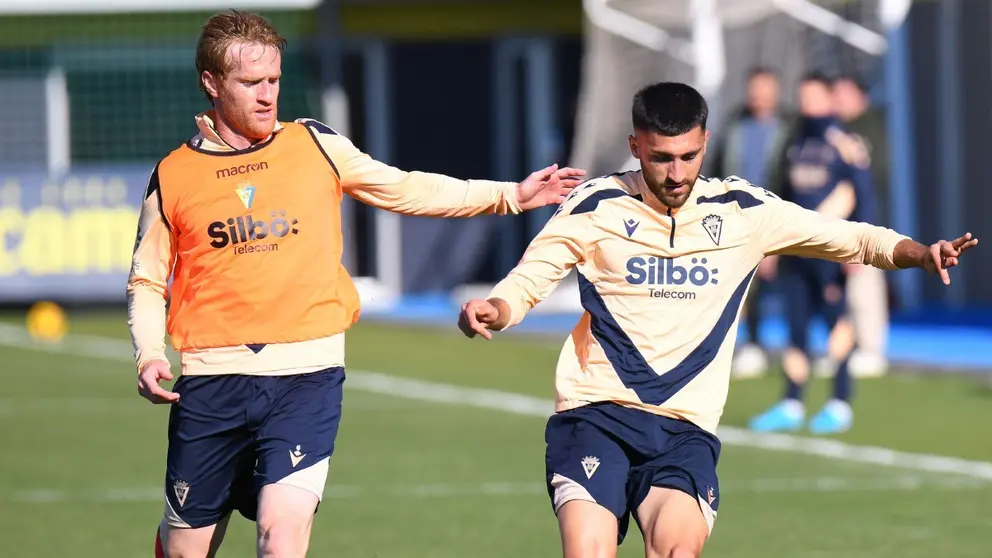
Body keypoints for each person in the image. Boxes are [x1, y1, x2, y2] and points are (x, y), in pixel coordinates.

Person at [127, 10, 585, 558]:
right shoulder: (173, 174)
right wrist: (149, 354)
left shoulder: (315, 145)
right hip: (211, 380)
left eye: (274, 79)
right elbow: (149, 280)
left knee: (282, 534)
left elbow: (406, 189)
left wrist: (511, 194)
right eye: (250, 83)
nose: (267, 94)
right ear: (211, 83)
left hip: (307, 374)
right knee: (184, 549)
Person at [456, 81, 976, 558]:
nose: (677, 174)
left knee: (677, 549)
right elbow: (530, 278)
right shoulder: (595, 205)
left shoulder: (742, 210)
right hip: (597, 413)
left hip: (685, 428)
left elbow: (853, 237)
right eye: (661, 158)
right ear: (636, 145)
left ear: (705, 144)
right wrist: (496, 310)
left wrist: (918, 252)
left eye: (689, 156)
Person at [748, 73, 876, 435]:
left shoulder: (846, 142)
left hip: (831, 252)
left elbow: (864, 195)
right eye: (802, 96)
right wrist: (771, 247)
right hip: (794, 252)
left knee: (837, 325)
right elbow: (780, 194)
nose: (807, 104)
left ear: (829, 99)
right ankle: (791, 401)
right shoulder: (794, 140)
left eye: (814, 97)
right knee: (796, 328)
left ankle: (839, 401)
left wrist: (858, 250)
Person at [708, 67, 795, 378]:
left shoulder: (790, 127)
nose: (759, 96)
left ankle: (798, 348)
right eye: (754, 89)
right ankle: (753, 345)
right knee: (744, 284)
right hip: (739, 217)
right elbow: (718, 168)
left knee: (788, 284)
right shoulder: (735, 125)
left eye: (765, 89)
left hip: (779, 217)